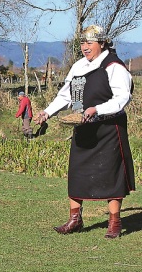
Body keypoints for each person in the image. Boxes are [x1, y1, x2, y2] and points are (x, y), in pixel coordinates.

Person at [34, 25, 135, 239]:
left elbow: (122, 98)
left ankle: (114, 222)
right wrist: (47, 113)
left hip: (109, 129)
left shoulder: (114, 66)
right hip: (83, 127)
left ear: (102, 43)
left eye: (90, 43)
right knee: (77, 173)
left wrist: (97, 109)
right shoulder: (78, 67)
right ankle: (75, 219)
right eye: (82, 43)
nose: (85, 47)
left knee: (111, 175)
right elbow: (65, 96)